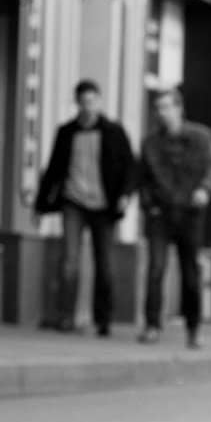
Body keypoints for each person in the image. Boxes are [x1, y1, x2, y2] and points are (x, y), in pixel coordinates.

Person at [36, 79, 138, 337]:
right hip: (73, 202)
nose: (88, 107)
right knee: (69, 261)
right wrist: (40, 204)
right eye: (83, 102)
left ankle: (103, 320)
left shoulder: (113, 132)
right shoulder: (67, 132)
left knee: (104, 264)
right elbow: (53, 170)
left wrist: (125, 195)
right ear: (77, 103)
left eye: (92, 101)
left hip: (103, 207)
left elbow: (130, 167)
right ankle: (66, 317)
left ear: (99, 101)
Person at [138, 86, 211, 349]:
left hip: (190, 213)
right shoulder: (150, 143)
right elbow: (142, 178)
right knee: (156, 269)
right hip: (160, 214)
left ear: (178, 108)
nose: (162, 113)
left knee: (190, 273)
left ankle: (193, 329)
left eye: (166, 107)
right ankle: (152, 325)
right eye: (158, 108)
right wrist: (148, 204)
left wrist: (205, 190)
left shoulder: (201, 136)